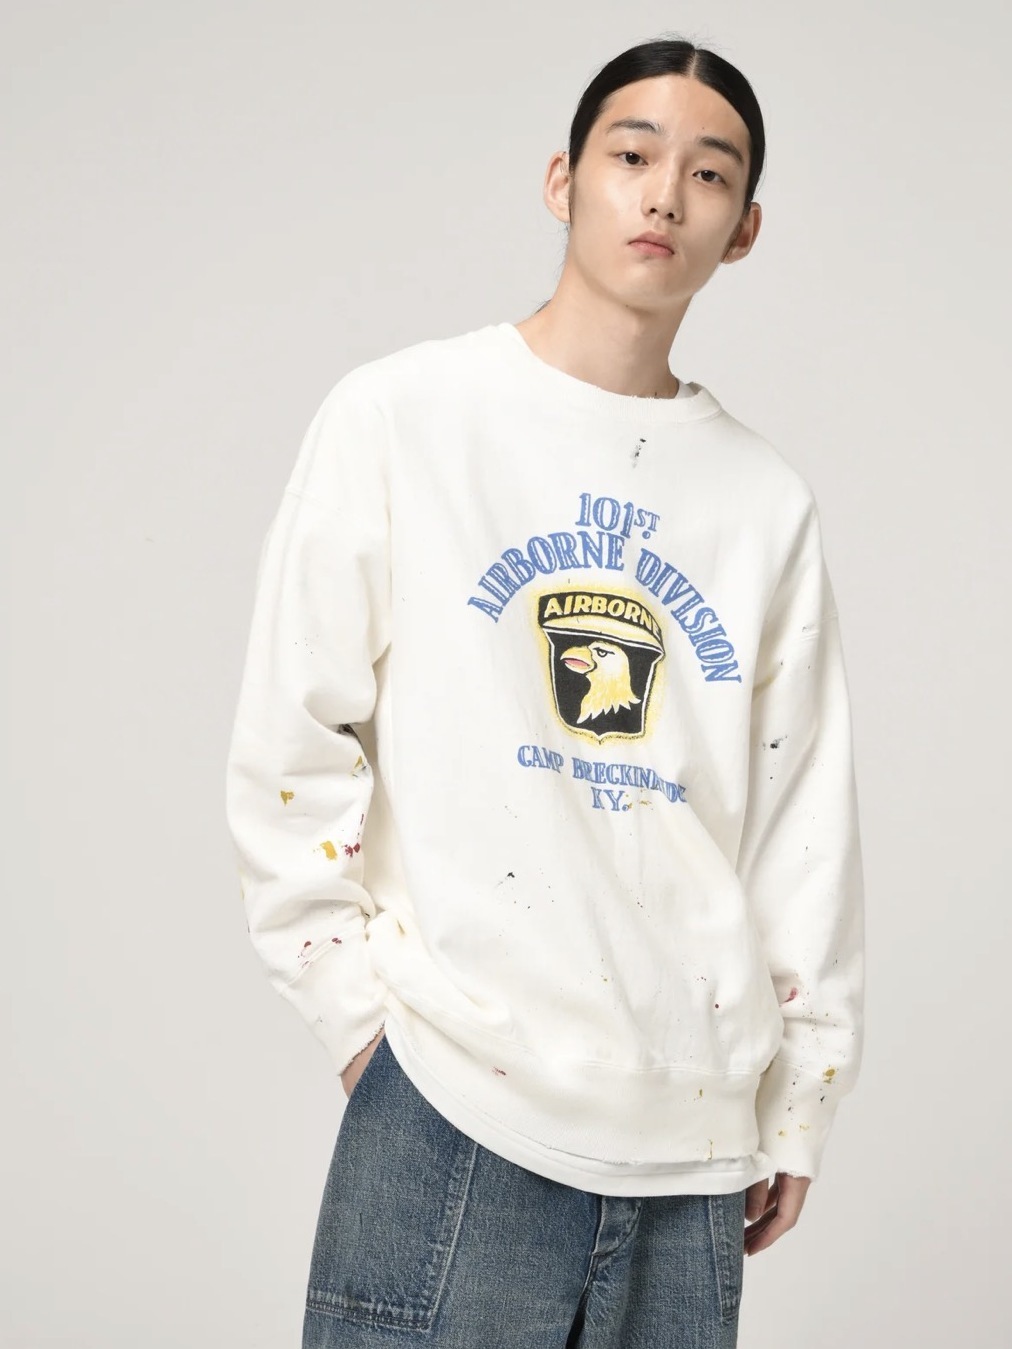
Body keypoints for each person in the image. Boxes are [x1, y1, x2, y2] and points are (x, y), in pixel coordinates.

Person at [225, 33, 866, 1349]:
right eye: (632, 155)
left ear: (743, 230)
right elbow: (292, 738)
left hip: (692, 1145)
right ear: (563, 179)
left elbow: (801, 817)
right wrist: (364, 1026)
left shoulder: (762, 501)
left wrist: (797, 1094)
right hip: (454, 1102)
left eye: (708, 173)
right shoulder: (404, 417)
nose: (663, 193)